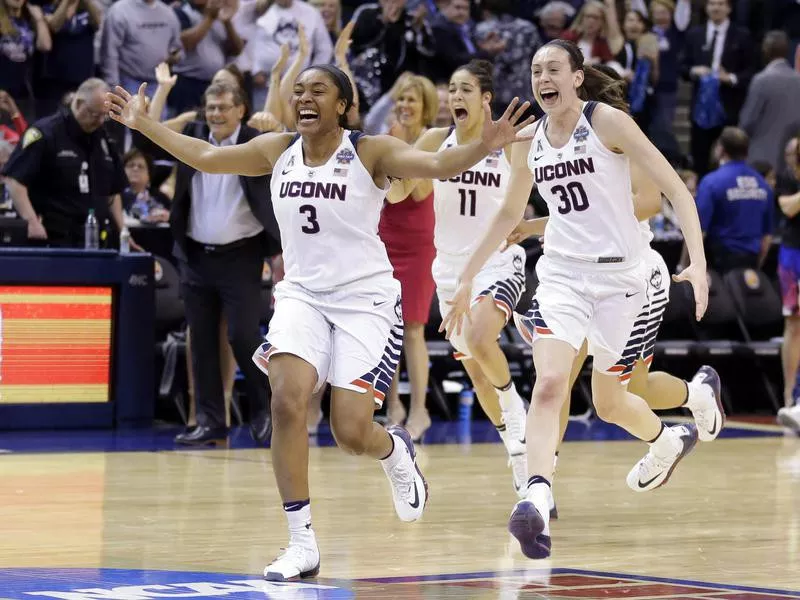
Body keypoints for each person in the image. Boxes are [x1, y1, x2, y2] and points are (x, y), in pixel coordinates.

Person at [105, 63, 533, 580]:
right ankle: (300, 541)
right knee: (287, 399)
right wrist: (144, 124)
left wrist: (485, 145)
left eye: (318, 91)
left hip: (365, 300)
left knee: (350, 431)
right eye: (299, 90)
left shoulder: (370, 151)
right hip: (302, 296)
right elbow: (208, 157)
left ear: (343, 106)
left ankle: (395, 452)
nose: (305, 98)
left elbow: (436, 167)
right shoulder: (277, 149)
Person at [441, 39, 709, 560]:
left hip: (622, 281)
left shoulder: (606, 122)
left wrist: (697, 262)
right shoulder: (527, 138)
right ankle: (536, 499)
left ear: (577, 77)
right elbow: (507, 214)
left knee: (610, 403)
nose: (544, 78)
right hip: (563, 275)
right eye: (537, 70)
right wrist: (466, 279)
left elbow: (675, 190)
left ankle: (667, 440)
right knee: (550, 385)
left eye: (554, 69)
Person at [504, 63, 725, 518]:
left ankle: (692, 399)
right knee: (556, 380)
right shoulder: (556, 139)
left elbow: (645, 204)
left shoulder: (619, 134)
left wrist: (556, 223)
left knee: (620, 394)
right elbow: (578, 209)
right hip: (579, 277)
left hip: (634, 277)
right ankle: (542, 484)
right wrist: (539, 225)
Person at [389, 59, 531, 497]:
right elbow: (402, 194)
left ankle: (515, 407)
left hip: (496, 260)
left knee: (480, 335)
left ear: (486, 99)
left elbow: (518, 204)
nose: (455, 98)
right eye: (451, 89)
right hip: (448, 270)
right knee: (476, 374)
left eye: (465, 90)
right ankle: (517, 453)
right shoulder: (434, 140)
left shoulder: (512, 142)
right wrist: (389, 168)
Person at [378, 74, 438, 440]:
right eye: (400, 99)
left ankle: (420, 409)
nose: (404, 106)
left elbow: (414, 190)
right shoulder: (390, 140)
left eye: (411, 100)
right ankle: (392, 405)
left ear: (425, 106)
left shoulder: (431, 142)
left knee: (413, 328)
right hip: (384, 238)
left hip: (418, 245)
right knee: (386, 326)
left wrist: (395, 150)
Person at [2, 78, 131, 248]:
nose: (100, 121)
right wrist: (32, 221)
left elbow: (113, 192)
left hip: (97, 239)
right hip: (54, 239)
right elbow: (14, 180)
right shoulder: (45, 133)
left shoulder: (105, 139)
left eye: (104, 116)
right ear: (78, 103)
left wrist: (123, 231)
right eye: (95, 114)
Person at [695, 127, 774, 273]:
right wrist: (757, 266)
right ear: (746, 151)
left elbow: (698, 231)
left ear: (721, 149)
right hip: (752, 263)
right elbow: (767, 237)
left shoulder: (711, 182)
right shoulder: (763, 185)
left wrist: (684, 264)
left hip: (720, 265)